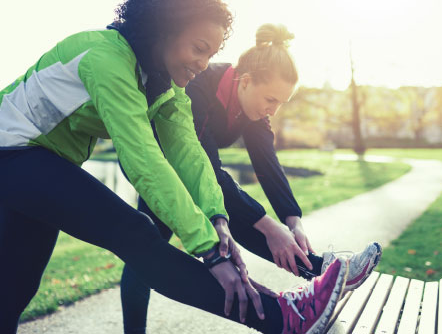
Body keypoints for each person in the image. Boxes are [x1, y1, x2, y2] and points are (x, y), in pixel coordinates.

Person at [0, 0, 350, 334]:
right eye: (198, 48)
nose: (203, 63)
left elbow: (190, 155)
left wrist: (217, 219)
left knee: (13, 291)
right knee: (133, 231)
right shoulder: (106, 59)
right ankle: (284, 319)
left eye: (211, 54)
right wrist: (210, 252)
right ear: (164, 29)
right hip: (11, 154)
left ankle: (287, 317)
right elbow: (145, 161)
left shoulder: (162, 84)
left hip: (35, 161)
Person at [119, 23, 383, 333]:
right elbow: (205, 168)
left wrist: (291, 220)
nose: (273, 110)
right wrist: (268, 225)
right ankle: (316, 270)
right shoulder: (200, 86)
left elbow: (267, 164)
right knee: (147, 250)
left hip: (196, 170)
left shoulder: (253, 110)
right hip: (159, 166)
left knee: (167, 244)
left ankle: (318, 269)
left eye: (280, 104)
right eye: (271, 100)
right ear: (245, 82)